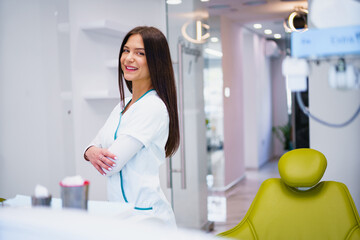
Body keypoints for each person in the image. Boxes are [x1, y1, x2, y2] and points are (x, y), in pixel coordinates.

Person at [83, 26, 180, 227]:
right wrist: (91, 151)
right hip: (122, 215)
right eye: (126, 50)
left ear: (156, 62)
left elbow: (111, 164)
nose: (128, 58)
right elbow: (92, 146)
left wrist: (94, 154)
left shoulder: (153, 107)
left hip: (148, 219)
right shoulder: (122, 105)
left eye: (140, 53)